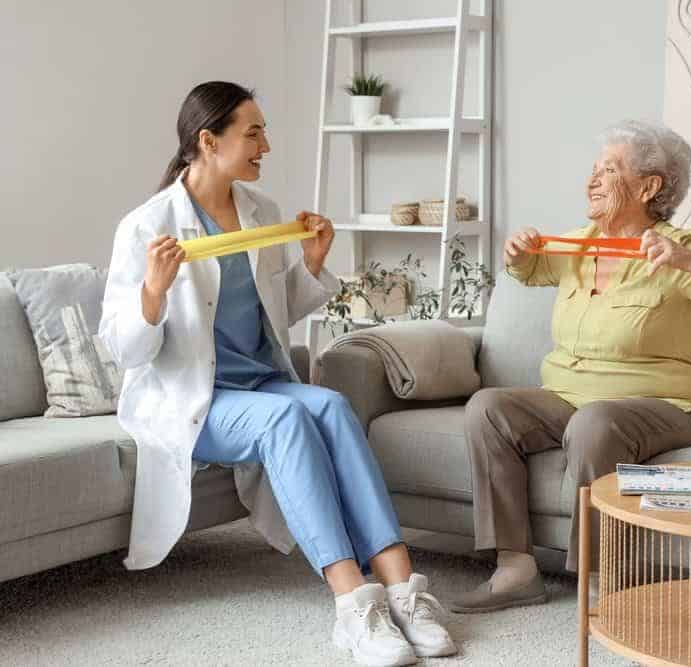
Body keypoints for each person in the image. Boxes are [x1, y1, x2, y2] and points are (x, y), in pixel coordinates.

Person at [99, 82, 455, 665]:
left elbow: (272, 310)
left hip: (258, 382)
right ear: (209, 142)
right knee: (287, 417)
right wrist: (153, 293)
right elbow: (125, 349)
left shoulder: (259, 213)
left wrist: (312, 263)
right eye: (254, 133)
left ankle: (403, 590)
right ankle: (352, 607)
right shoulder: (147, 226)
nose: (266, 144)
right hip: (194, 397)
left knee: (333, 404)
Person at [451, 120, 691, 613]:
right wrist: (517, 253)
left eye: (607, 170)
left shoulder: (675, 250)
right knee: (489, 407)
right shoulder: (580, 245)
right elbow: (530, 269)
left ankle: (603, 579)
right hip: (571, 398)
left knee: (595, 423)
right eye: (592, 170)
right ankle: (515, 570)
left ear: (649, 186)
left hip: (671, 405)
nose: (591, 180)